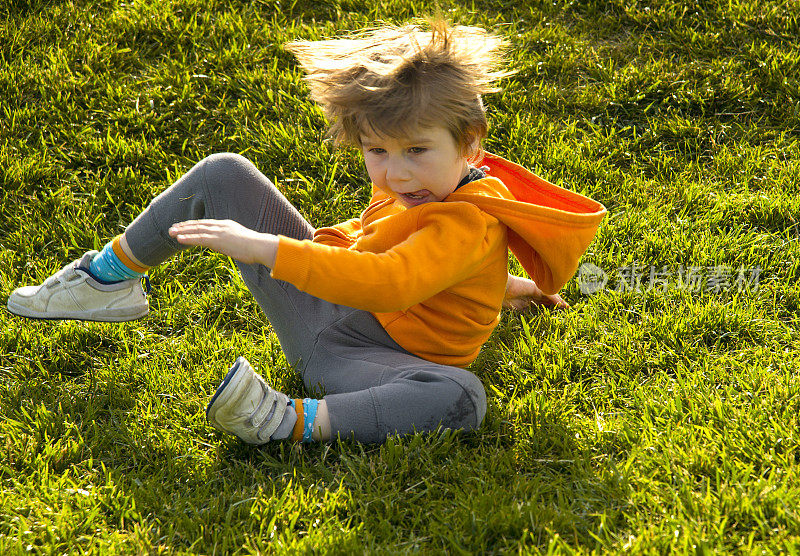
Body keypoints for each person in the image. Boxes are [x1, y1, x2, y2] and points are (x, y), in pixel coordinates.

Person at [6, 19, 606, 445]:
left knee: (459, 396)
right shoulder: (429, 184)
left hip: (363, 358)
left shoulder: (467, 219)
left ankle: (291, 419)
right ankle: (106, 278)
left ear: (470, 140)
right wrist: (517, 291)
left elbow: (394, 282)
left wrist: (260, 247)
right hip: (328, 311)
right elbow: (422, 266)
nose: (395, 173)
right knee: (224, 173)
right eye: (377, 151)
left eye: (417, 151)